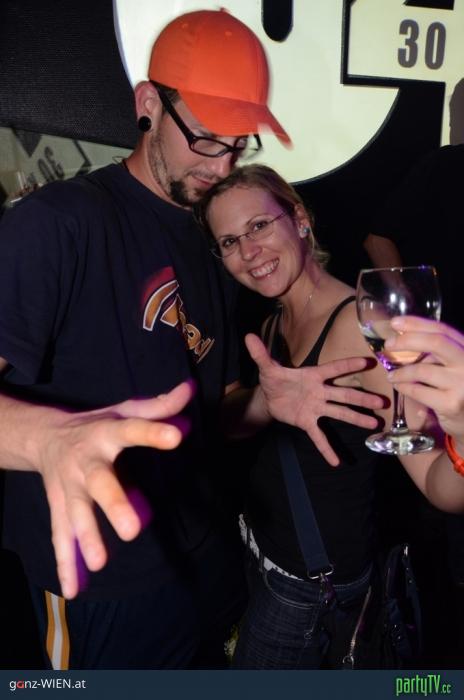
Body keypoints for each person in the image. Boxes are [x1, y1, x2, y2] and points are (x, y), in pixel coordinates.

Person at [0, 9, 385, 670]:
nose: (222, 163)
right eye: (206, 138)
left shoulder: (212, 246)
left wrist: (267, 404)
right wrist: (43, 439)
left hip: (199, 559)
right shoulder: (58, 224)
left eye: (238, 144)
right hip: (98, 572)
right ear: (148, 105)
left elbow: (218, 411)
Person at [197, 163, 464, 669]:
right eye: (229, 241)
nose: (248, 251)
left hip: (307, 590)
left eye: (259, 226)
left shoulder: (362, 327)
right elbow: (234, 424)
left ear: (300, 220)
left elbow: (439, 485)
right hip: (262, 554)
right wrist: (261, 404)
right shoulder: (273, 321)